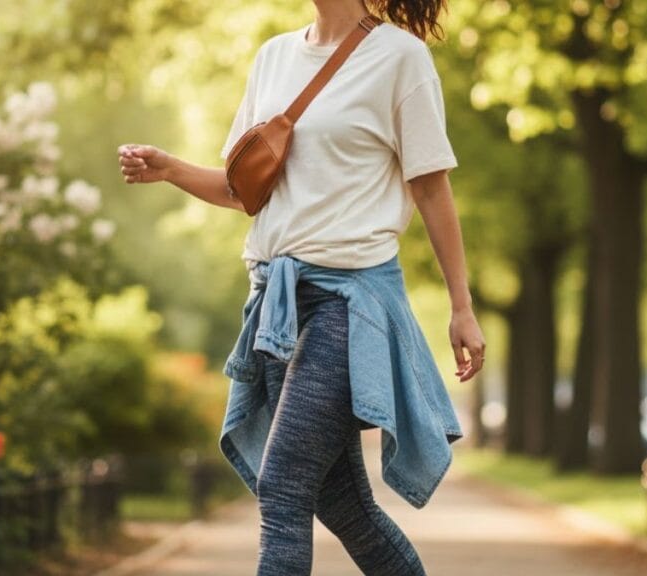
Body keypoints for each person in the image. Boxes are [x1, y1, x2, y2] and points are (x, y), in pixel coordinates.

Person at [117, 0, 484, 573]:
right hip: (276, 307)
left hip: (349, 303)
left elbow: (431, 188)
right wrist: (170, 169)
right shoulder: (274, 57)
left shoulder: (400, 59)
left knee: (283, 485)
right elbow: (244, 193)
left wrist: (461, 306)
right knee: (344, 507)